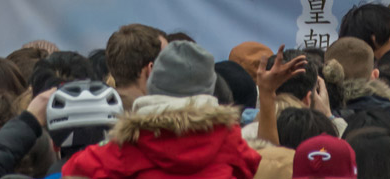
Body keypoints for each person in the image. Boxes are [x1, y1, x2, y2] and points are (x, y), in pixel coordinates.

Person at [60, 41, 260, 179]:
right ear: (210, 89)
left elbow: (73, 168)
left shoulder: (130, 143)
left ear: (153, 81)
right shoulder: (230, 139)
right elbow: (251, 164)